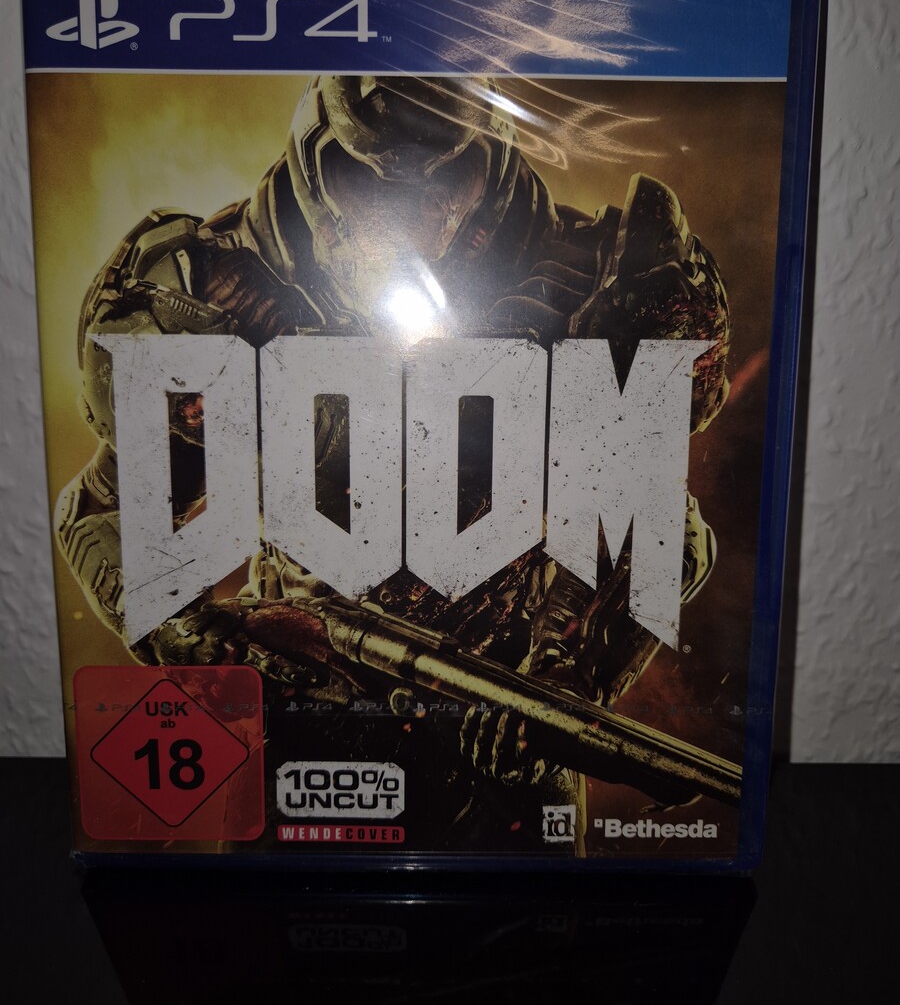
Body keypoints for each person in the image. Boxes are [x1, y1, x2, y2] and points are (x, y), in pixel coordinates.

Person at [57, 75, 731, 851]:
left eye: (444, 175)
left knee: (534, 921)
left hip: (500, 714)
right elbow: (102, 506)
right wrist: (178, 625)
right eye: (370, 176)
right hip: (299, 704)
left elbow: (665, 528)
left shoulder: (589, 281)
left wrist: (570, 681)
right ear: (317, 161)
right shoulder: (222, 287)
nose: (412, 213)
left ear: (491, 159)